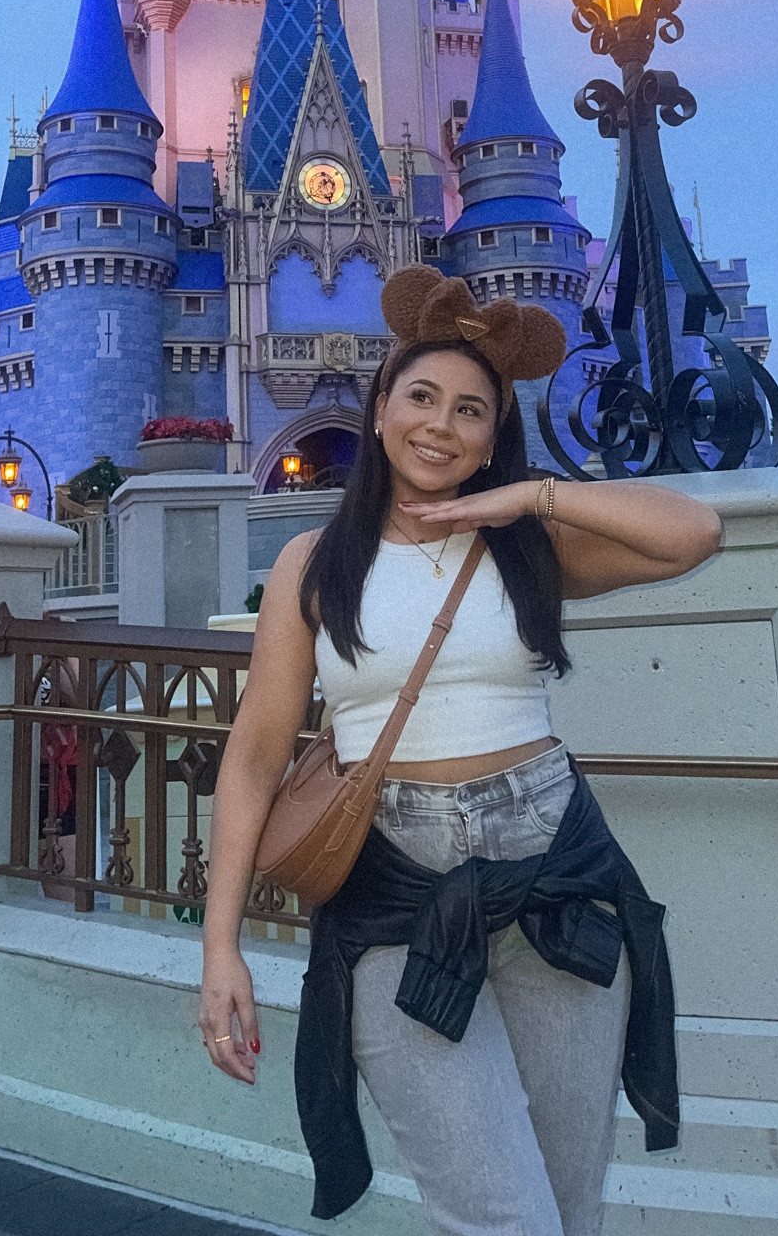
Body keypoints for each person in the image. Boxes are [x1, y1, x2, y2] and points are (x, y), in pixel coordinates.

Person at [197, 266, 723, 1234]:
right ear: (383, 405)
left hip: (557, 878)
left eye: (471, 410)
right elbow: (255, 758)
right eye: (423, 397)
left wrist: (530, 498)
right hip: (399, 898)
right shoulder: (314, 566)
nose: (441, 426)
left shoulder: (528, 546)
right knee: (505, 1219)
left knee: (569, 1209)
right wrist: (219, 941)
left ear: (496, 433)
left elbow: (696, 531)